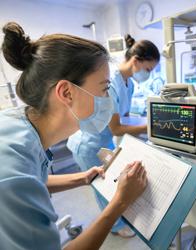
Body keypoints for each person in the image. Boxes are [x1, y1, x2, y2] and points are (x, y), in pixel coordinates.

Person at [0, 22, 147, 250]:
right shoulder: (12, 173)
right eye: (104, 88)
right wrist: (120, 202)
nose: (108, 97)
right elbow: (19, 181)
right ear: (67, 92)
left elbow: (34, 181)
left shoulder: (19, 124)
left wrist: (80, 178)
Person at [67, 34, 160, 237]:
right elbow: (117, 128)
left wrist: (144, 125)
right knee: (103, 187)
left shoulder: (131, 84)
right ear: (136, 60)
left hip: (104, 141)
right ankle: (116, 227)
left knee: (112, 183)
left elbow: (123, 118)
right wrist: (151, 127)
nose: (148, 74)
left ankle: (118, 216)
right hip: (89, 144)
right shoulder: (112, 82)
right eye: (148, 69)